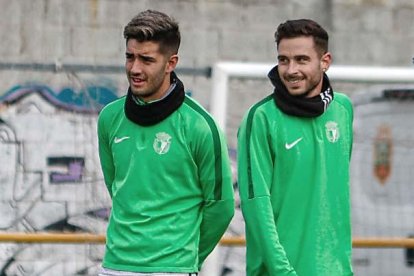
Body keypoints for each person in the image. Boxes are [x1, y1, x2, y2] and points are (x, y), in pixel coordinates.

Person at [97, 10, 234, 276]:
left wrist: (184, 256)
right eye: (130, 57)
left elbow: (221, 207)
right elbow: (116, 186)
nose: (135, 68)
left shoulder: (201, 126)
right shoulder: (109, 118)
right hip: (114, 265)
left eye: (146, 60)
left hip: (173, 269)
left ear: (171, 63)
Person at [237, 19, 353, 275]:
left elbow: (334, 194)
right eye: (283, 60)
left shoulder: (343, 110)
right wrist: (282, 271)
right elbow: (256, 205)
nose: (290, 70)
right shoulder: (260, 118)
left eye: (301, 59)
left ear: (325, 61)